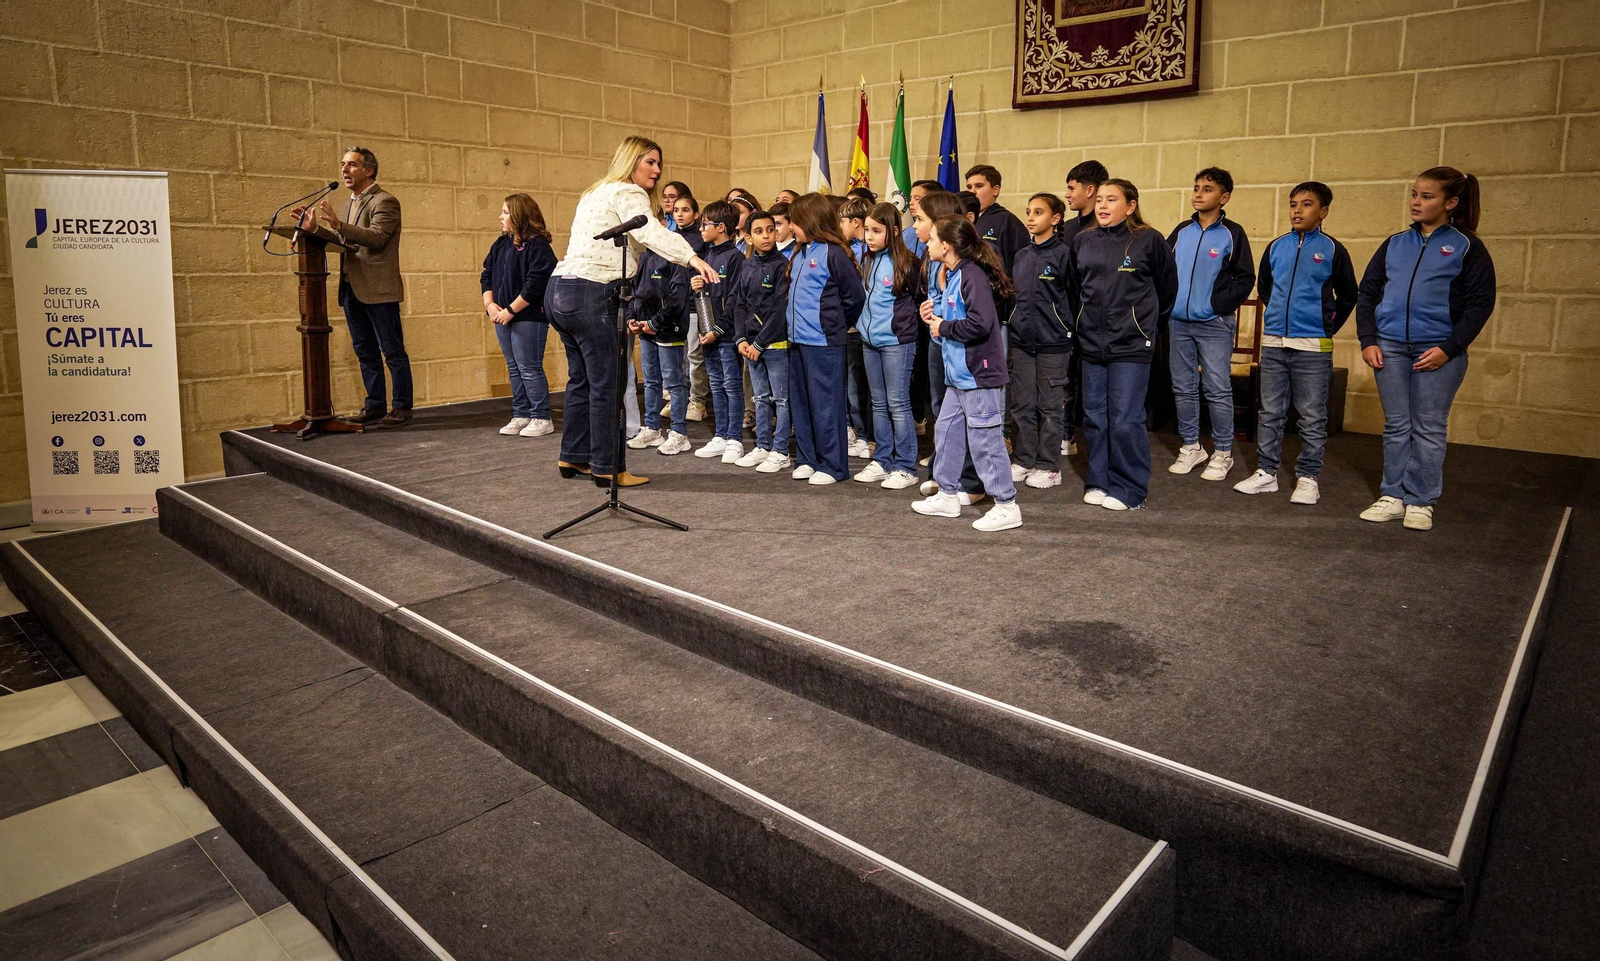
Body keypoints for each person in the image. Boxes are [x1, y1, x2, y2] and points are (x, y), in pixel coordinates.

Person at [544, 135, 718, 488]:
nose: (656, 170)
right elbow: (652, 232)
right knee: (608, 384)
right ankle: (609, 466)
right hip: (594, 291)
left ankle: (574, 456)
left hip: (561, 289)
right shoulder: (628, 192)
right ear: (631, 161)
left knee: (581, 379)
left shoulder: (595, 191)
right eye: (649, 162)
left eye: (658, 163)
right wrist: (692, 257)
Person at [1355, 166, 1495, 531]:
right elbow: (1368, 293)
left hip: (1438, 350)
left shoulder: (1466, 246)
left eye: (1427, 196)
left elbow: (1480, 303)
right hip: (1390, 347)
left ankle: (1420, 499)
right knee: (1397, 425)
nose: (1416, 202)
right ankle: (1393, 495)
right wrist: (1368, 340)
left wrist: (1449, 347)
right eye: (1414, 194)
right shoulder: (1394, 243)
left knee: (1429, 426)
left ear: (1450, 203)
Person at [1233, 182, 1357, 505]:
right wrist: (1278, 318)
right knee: (1270, 412)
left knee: (1312, 416)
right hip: (1275, 344)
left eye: (1306, 204)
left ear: (1323, 211)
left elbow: (1349, 295)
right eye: (1292, 204)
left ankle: (1308, 477)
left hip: (1313, 347)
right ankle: (1266, 473)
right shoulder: (1276, 247)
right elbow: (1265, 287)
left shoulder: (1332, 250)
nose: (1297, 211)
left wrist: (1325, 325)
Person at [1068, 178, 1178, 511]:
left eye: (1111, 199)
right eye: (1099, 199)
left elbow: (1167, 290)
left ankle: (1130, 489)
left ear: (1130, 206)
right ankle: (1099, 481)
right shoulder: (1082, 241)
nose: (1101, 205)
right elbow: (1075, 289)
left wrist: (1144, 326)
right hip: (1091, 343)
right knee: (1095, 417)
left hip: (1131, 343)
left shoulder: (1149, 240)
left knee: (1126, 418)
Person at [913, 216, 1021, 532]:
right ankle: (947, 494)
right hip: (958, 376)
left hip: (978, 375)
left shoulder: (971, 276)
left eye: (931, 237)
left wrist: (943, 325)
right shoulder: (951, 274)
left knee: (986, 441)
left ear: (946, 245)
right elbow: (950, 326)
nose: (927, 242)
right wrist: (934, 320)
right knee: (946, 434)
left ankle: (1006, 505)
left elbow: (981, 324)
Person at [294, 146, 411, 428]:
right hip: (351, 287)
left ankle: (402, 407)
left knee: (392, 350)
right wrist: (313, 230)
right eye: (343, 164)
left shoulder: (385, 201)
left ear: (368, 171)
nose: (344, 170)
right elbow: (342, 242)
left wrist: (339, 225)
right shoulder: (348, 205)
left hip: (379, 288)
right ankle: (374, 405)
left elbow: (377, 237)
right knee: (364, 349)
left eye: (352, 165)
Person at [1165, 166, 1256, 482]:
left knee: (1216, 387)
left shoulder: (1233, 233)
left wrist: (1215, 306)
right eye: (1196, 187)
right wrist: (1170, 305)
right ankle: (1191, 446)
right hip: (1178, 323)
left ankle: (1222, 452)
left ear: (1224, 197)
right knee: (1182, 387)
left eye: (1207, 189)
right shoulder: (1181, 232)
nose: (1198, 193)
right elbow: (1164, 270)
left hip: (1213, 323)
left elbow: (1245, 278)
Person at [784, 192, 866, 486]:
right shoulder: (801, 252)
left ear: (811, 221)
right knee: (802, 403)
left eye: (794, 221)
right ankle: (808, 458)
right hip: (798, 341)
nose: (791, 227)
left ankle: (833, 465)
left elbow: (854, 298)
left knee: (826, 405)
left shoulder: (834, 253)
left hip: (825, 343)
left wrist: (836, 326)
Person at [914, 190, 987, 505]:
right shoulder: (932, 257)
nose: (916, 227)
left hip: (960, 345)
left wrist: (943, 319)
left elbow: (975, 315)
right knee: (942, 413)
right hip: (939, 341)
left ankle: (971, 481)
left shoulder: (967, 268)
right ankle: (944, 476)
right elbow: (938, 296)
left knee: (966, 414)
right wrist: (928, 310)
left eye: (919, 220)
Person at [853, 203, 923, 490]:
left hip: (896, 342)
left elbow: (919, 301)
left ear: (894, 231)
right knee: (878, 403)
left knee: (898, 403)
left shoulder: (908, 263)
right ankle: (883, 459)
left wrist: (903, 328)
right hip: (869, 341)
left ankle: (906, 466)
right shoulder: (867, 260)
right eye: (867, 230)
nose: (869, 236)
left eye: (877, 231)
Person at [1007, 193, 1073, 489]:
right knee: (1022, 405)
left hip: (1053, 343)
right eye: (1028, 212)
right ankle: (1024, 459)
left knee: (1049, 407)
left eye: (1038, 212)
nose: (1030, 218)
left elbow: (1073, 297)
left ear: (1055, 219)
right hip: (1022, 342)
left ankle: (1049, 466)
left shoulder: (1063, 255)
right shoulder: (1021, 256)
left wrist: (1065, 328)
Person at [480, 193, 556, 439]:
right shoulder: (501, 244)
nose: (500, 217)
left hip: (528, 316)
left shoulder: (538, 246)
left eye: (505, 212)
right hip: (501, 314)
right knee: (514, 368)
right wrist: (490, 304)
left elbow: (536, 283)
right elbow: (487, 274)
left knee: (529, 367)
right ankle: (521, 413)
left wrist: (511, 310)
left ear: (519, 214)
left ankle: (541, 416)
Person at [732, 211, 794, 473]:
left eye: (771, 230)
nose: (766, 235)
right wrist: (741, 339)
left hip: (775, 344)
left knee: (781, 399)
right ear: (748, 237)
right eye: (759, 231)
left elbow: (779, 309)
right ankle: (762, 445)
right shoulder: (746, 266)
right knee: (760, 397)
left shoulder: (782, 265)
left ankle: (781, 451)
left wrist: (761, 343)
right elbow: (739, 304)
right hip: (751, 345)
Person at [690, 200, 747, 463]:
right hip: (708, 331)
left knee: (732, 386)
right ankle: (721, 435)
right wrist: (697, 284)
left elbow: (734, 298)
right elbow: (707, 295)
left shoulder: (735, 257)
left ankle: (735, 438)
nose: (701, 229)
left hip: (725, 333)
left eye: (705, 224)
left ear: (721, 227)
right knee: (715, 384)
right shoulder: (708, 255)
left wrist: (719, 328)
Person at [1059, 159, 1107, 457]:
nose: (1067, 195)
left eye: (1071, 188)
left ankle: (1099, 444)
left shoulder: (1105, 228)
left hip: (1098, 320)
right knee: (1066, 379)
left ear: (1090, 190)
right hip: (1067, 316)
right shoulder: (1066, 228)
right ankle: (1066, 434)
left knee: (1095, 387)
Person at [625, 246, 693, 456]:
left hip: (668, 329)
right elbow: (637, 294)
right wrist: (632, 318)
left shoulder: (675, 255)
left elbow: (677, 298)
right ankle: (653, 429)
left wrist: (655, 322)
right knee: (651, 381)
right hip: (646, 329)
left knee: (673, 383)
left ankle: (679, 434)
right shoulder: (645, 256)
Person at [838, 196, 874, 458]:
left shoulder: (866, 251)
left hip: (865, 325)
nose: (839, 225)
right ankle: (855, 429)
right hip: (851, 326)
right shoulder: (848, 248)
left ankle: (865, 434)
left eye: (842, 221)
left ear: (855, 222)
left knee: (860, 385)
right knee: (851, 382)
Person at [965, 164, 1029, 277]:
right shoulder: (964, 220)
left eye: (979, 186)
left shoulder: (1008, 221)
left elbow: (1021, 266)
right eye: (969, 187)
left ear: (995, 190)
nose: (972, 192)